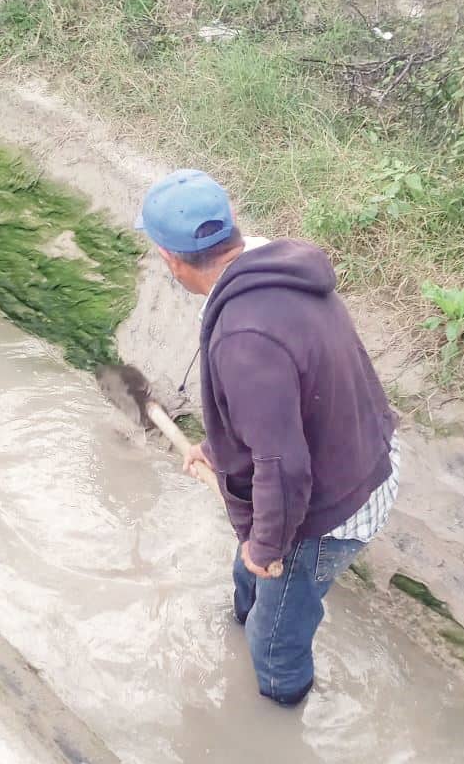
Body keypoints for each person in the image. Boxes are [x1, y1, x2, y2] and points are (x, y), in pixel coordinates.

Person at [136, 168, 399, 708]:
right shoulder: (274, 272)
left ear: (171, 258)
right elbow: (282, 404)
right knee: (247, 576)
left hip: (327, 511)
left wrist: (270, 547)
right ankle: (251, 600)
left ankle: (283, 706)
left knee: (273, 640)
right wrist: (216, 450)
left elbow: (283, 467)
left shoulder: (245, 335)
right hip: (346, 452)